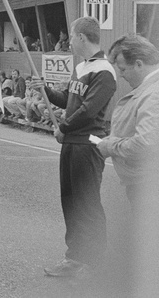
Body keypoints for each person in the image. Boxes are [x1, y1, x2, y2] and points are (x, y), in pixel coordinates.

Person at [31, 17, 116, 278]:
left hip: (87, 144)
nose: (69, 40)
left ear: (81, 36)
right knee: (70, 201)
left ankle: (96, 261)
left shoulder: (104, 71)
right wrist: (44, 89)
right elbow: (69, 100)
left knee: (86, 203)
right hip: (70, 143)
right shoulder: (80, 67)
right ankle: (75, 257)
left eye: (71, 35)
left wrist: (63, 128)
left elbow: (89, 110)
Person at [96, 35, 159, 295]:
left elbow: (146, 144)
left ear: (139, 64)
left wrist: (111, 146)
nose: (121, 75)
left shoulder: (153, 94)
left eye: (122, 69)